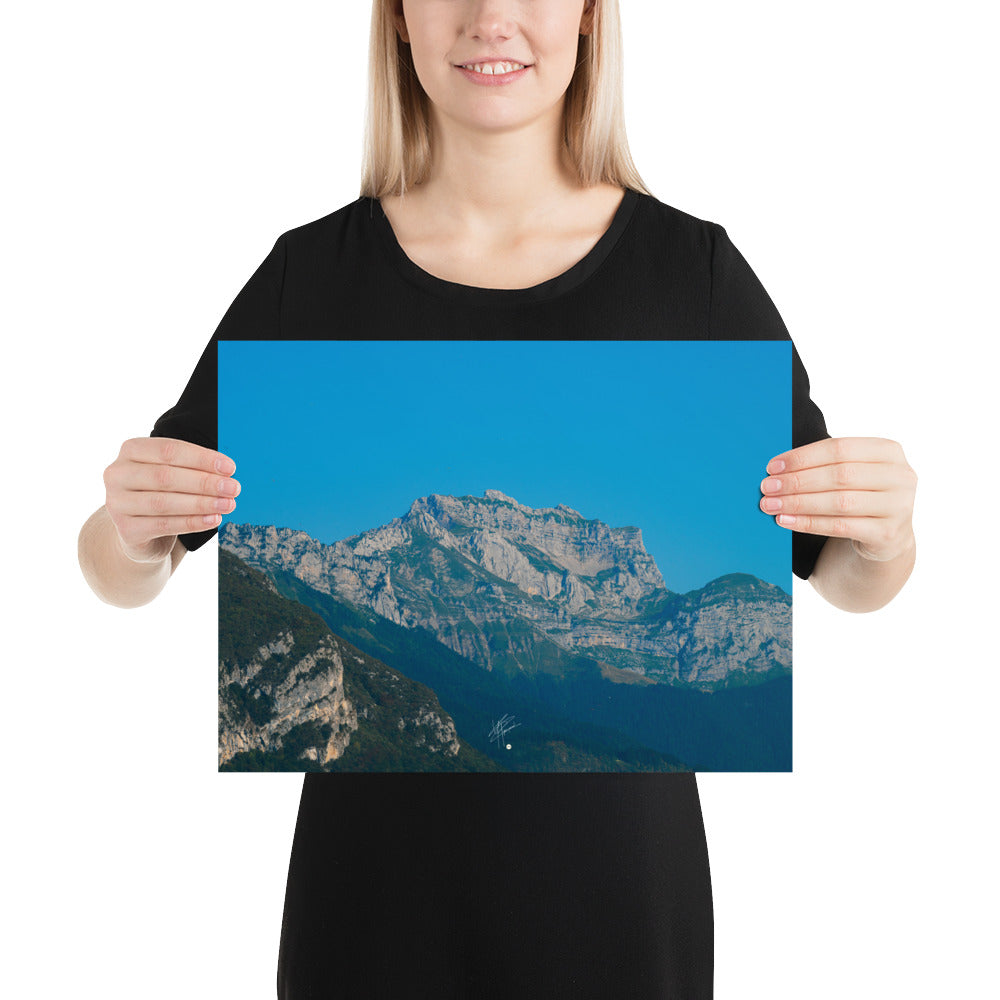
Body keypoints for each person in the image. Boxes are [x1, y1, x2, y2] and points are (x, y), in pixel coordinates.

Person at [78, 1, 917, 996]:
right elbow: (121, 566)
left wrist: (885, 533)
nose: (492, 18)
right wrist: (130, 534)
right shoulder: (310, 278)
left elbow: (845, 576)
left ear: (591, 17)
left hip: (621, 914)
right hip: (369, 916)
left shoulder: (692, 277)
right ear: (396, 18)